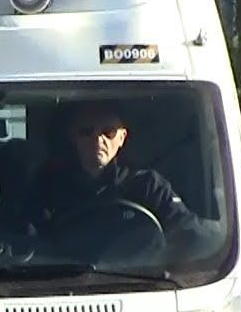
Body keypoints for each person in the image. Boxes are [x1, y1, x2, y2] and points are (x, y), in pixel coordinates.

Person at [21, 102, 214, 253]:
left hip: (146, 286)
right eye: (86, 131)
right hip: (61, 286)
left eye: (108, 132)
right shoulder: (49, 186)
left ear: (122, 138)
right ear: (73, 136)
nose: (98, 139)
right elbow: (26, 242)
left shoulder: (148, 186)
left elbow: (191, 235)